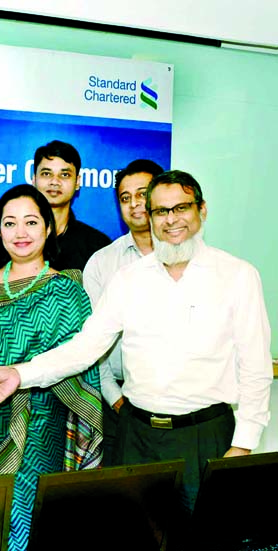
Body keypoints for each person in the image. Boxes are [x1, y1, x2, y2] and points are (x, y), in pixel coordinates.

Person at [0, 170, 272, 512]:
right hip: (136, 437)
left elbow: (255, 367)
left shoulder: (237, 275)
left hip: (206, 437)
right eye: (161, 211)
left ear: (201, 210)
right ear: (149, 216)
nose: (171, 220)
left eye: (181, 208)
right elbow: (85, 347)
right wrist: (19, 374)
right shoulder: (129, 279)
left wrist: (244, 444)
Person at [0, 184, 103, 551]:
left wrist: (24, 375)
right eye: (10, 223)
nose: (20, 231)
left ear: (48, 229)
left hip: (40, 426)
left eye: (30, 222)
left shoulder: (68, 289)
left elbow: (79, 362)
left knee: (24, 521)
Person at [83, 159, 164, 464]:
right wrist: (117, 400)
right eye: (125, 198)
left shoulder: (189, 260)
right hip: (120, 406)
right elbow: (92, 344)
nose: (135, 204)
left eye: (143, 194)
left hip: (178, 406)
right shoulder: (103, 263)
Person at [32, 140, 111, 272]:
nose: (55, 182)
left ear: (77, 182)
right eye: (46, 174)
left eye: (64, 175)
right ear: (34, 180)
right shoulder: (16, 238)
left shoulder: (97, 245)